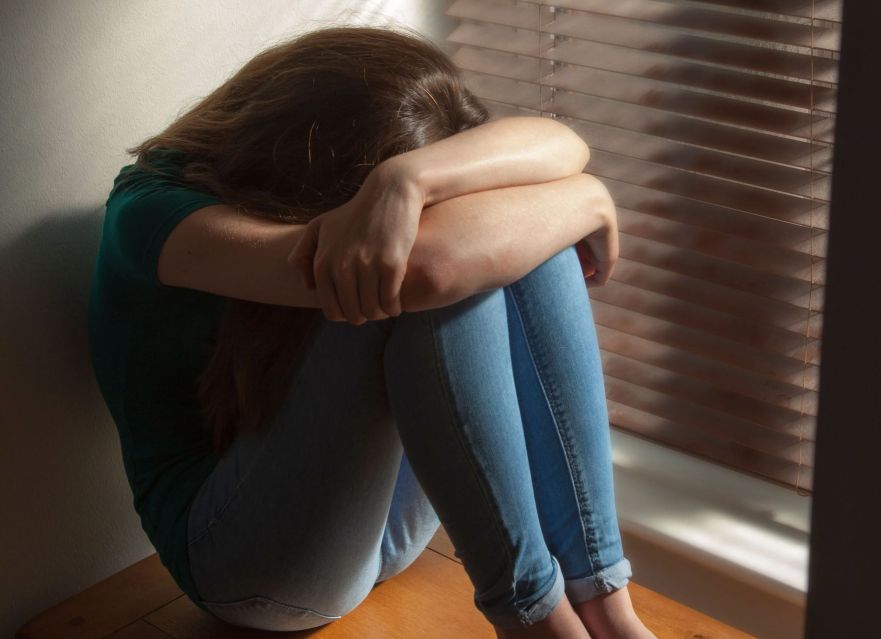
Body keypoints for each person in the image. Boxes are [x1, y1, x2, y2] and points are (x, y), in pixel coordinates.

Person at [87, 24, 658, 639]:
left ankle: (606, 603)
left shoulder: (367, 181)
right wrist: (589, 199)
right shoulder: (153, 216)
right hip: (250, 564)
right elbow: (426, 272)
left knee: (517, 230)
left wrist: (407, 181)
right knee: (431, 270)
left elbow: (557, 145)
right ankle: (534, 620)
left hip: (380, 522)